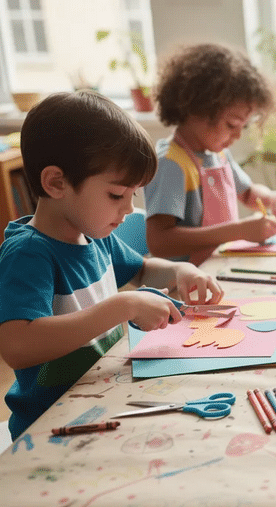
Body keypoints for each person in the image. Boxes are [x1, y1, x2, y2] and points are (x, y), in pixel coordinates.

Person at [0, 91, 224, 440]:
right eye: (116, 195)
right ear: (56, 182)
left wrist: (182, 272)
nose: (127, 210)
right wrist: (124, 305)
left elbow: (143, 271)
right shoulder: (28, 254)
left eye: (132, 196)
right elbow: (18, 346)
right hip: (49, 427)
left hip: (100, 403)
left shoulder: (93, 235)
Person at [144, 43, 276, 265]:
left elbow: (249, 193)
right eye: (232, 125)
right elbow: (160, 242)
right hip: (185, 284)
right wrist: (238, 231)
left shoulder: (217, 154)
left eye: (244, 126)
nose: (238, 135)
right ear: (197, 109)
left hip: (217, 268)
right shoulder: (171, 164)